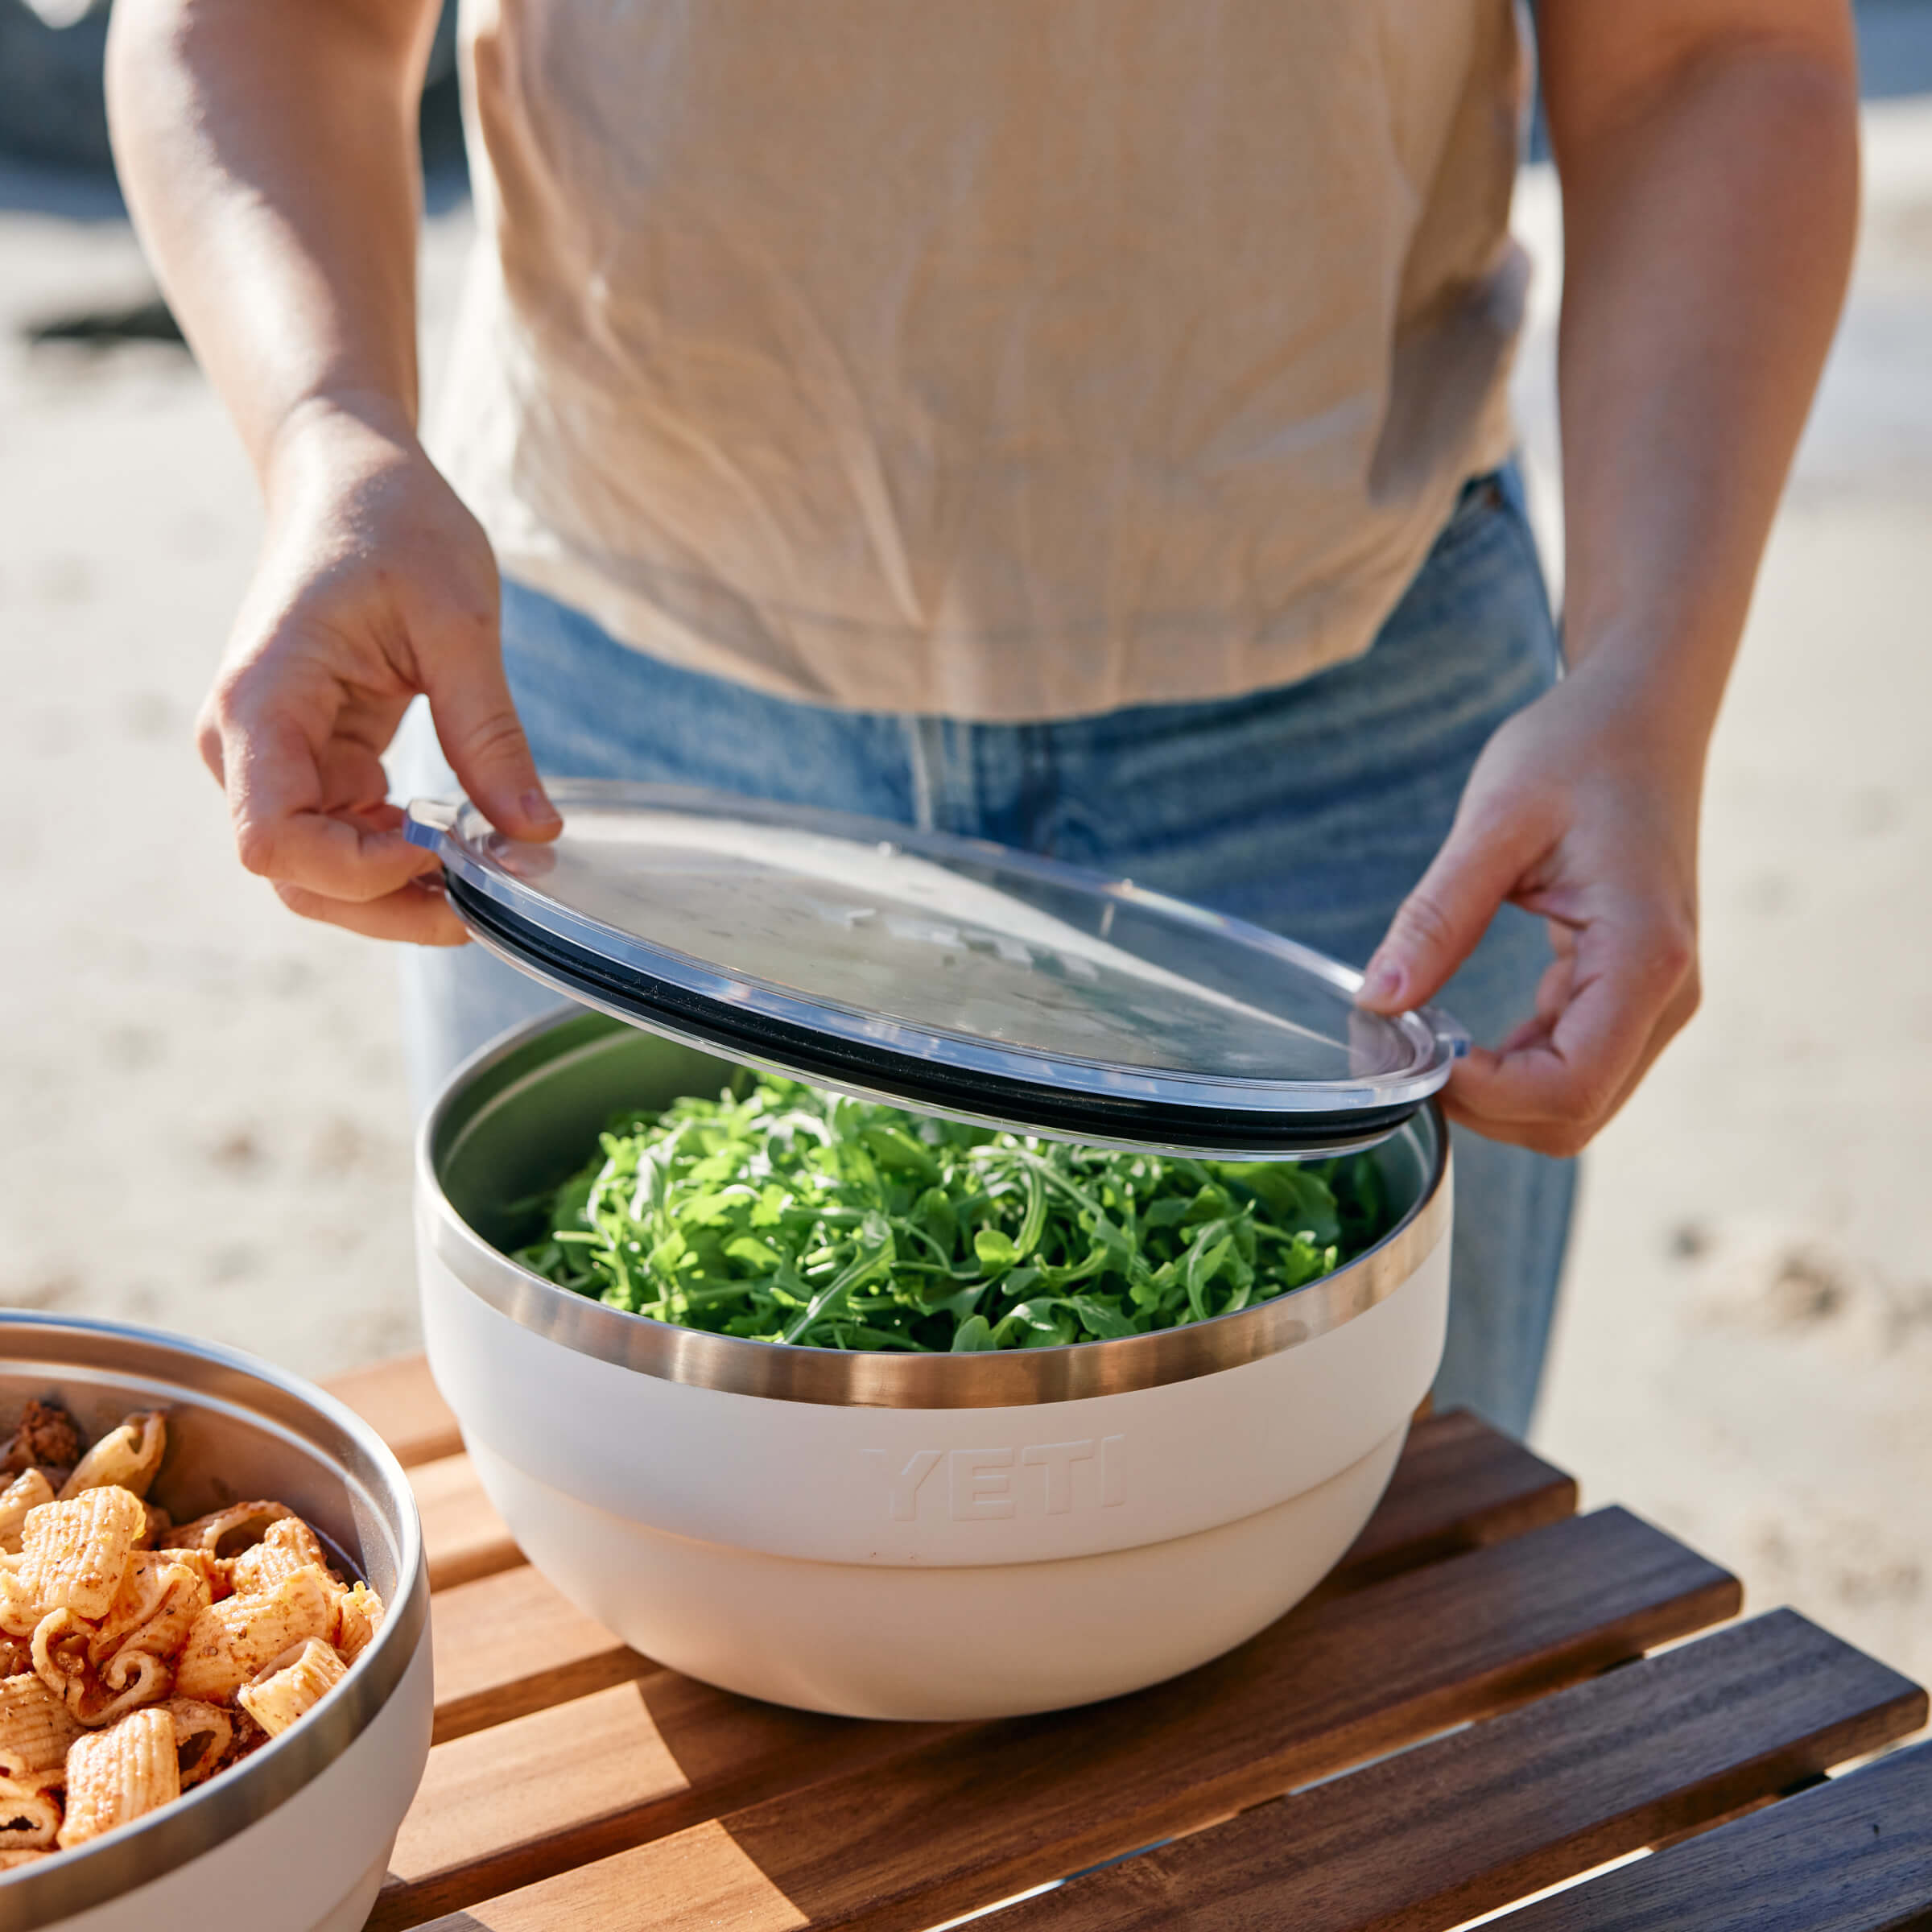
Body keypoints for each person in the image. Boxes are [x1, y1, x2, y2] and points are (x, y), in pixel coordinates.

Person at [105, 0, 1857, 1436]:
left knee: (1366, 1723)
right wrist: (333, 435)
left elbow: (1716, 51)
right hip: (614, 753)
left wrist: (1643, 674)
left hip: (1355, 748)